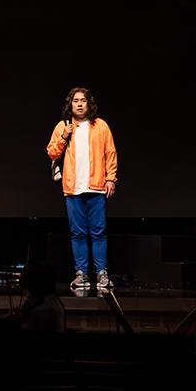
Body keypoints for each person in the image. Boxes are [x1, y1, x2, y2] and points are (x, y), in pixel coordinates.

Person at [47, 87, 117, 288]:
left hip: (95, 188)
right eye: (75, 101)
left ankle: (102, 273)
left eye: (83, 100)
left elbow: (110, 152)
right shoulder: (64, 126)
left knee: (98, 232)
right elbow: (52, 153)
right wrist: (63, 136)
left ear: (89, 104)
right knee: (77, 233)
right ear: (70, 104)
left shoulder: (101, 126)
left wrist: (111, 178)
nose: (79, 104)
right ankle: (82, 274)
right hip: (73, 189)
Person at [13, 262, 66, 333]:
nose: (26, 295)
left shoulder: (42, 309)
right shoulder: (54, 300)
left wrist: (16, 324)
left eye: (26, 289)